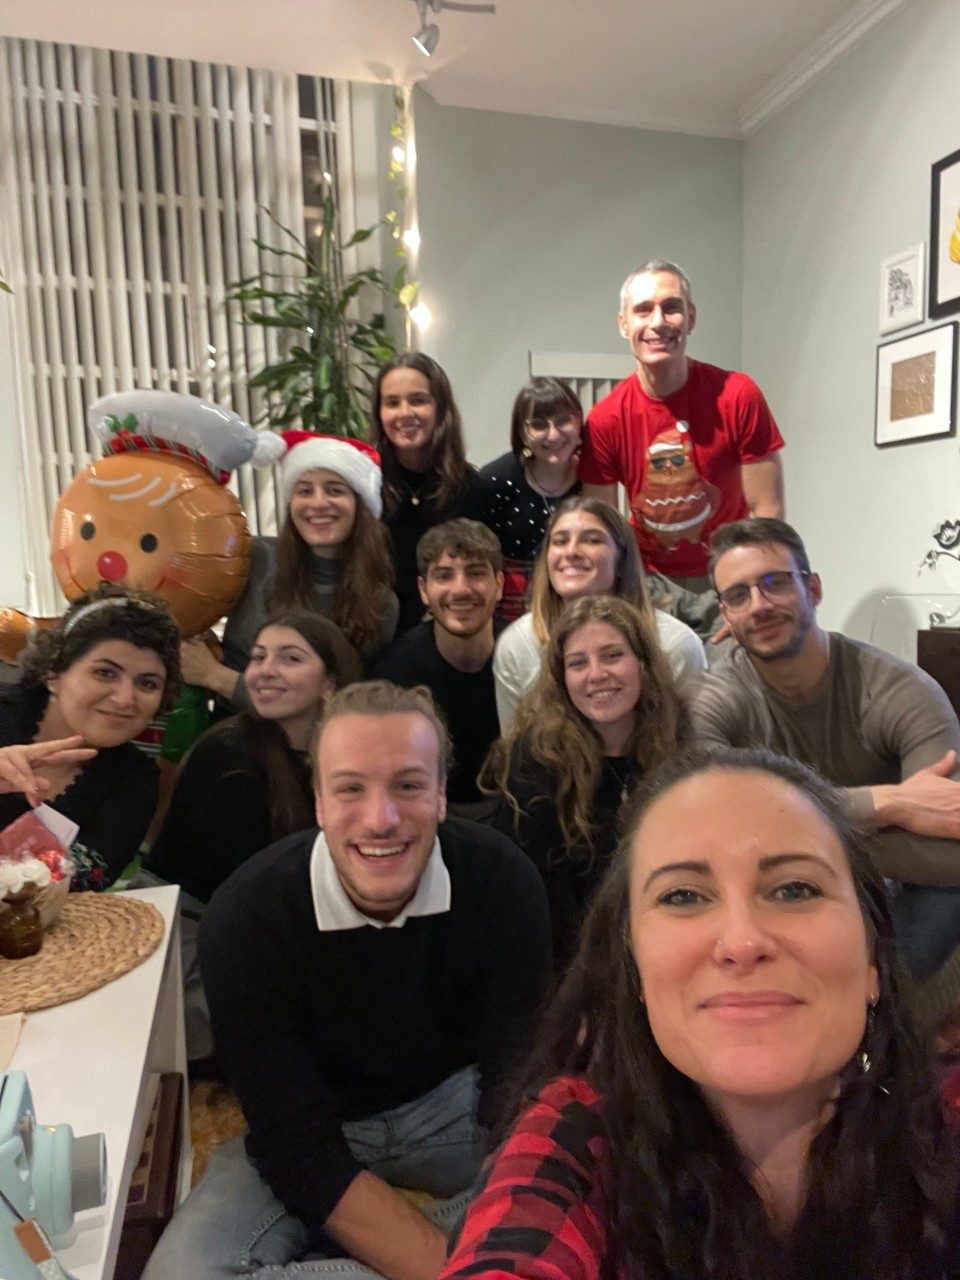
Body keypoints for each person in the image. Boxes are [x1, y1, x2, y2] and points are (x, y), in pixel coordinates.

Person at [440, 747, 960, 1280]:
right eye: (683, 896)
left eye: (795, 889)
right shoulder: (576, 1140)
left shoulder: (945, 1113)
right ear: (634, 965)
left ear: (873, 957)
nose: (742, 941)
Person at [142, 681, 552, 1280]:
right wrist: (452, 1267)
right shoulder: (247, 916)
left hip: (457, 1109)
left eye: (408, 785)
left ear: (442, 795)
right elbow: (295, 1144)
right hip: (315, 1122)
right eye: (350, 789)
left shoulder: (501, 880)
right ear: (318, 803)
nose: (380, 819)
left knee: (608, 1191)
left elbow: (515, 1085)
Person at [691, 517, 960, 997]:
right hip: (769, 903)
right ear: (726, 616)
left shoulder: (900, 692)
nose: (760, 605)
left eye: (775, 583)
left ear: (812, 589)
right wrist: (888, 805)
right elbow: (711, 827)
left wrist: (779, 833)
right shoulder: (713, 702)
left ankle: (874, 1013)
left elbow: (950, 850)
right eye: (739, 595)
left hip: (885, 902)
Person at [579, 259, 785, 637]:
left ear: (690, 318)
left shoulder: (738, 395)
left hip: (729, 573)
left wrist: (753, 593)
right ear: (624, 324)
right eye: (643, 310)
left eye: (671, 307)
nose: (658, 322)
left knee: (733, 687)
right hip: (650, 584)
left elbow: (766, 510)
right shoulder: (605, 420)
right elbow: (604, 529)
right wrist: (622, 601)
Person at [484, 595, 685, 972]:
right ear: (562, 679)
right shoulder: (536, 759)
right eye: (578, 663)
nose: (596, 674)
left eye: (612, 656)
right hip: (572, 959)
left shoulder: (680, 741)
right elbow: (535, 896)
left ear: (642, 663)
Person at [144, 611, 361, 904]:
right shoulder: (227, 755)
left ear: (330, 683)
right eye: (258, 658)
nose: (266, 670)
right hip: (190, 915)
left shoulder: (350, 756)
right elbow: (246, 891)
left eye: (291, 659)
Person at [181, 433, 398, 699]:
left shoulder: (380, 603)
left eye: (335, 490)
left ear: (360, 505)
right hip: (229, 733)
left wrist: (216, 677)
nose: (318, 503)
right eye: (305, 490)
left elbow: (337, 704)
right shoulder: (255, 556)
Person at [0, 583, 181, 887]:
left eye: (147, 683)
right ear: (54, 673)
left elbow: (85, 881)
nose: (125, 698)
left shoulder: (135, 780)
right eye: (105, 673)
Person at [492, 495, 705, 732]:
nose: (571, 551)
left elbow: (693, 752)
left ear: (621, 559)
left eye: (592, 540)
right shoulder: (517, 645)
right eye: (560, 541)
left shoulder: (675, 644)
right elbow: (515, 753)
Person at [373, 520, 504, 813]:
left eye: (476, 573)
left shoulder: (523, 656)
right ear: (423, 590)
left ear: (499, 585)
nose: (460, 589)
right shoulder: (396, 672)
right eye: (444, 576)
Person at [373, 353, 486, 635]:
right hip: (377, 638)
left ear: (440, 409)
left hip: (447, 639)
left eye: (418, 400)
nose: (404, 412)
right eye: (392, 402)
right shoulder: (364, 484)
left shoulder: (470, 487)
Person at [477, 377, 583, 622]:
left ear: (579, 422)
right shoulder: (494, 480)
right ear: (522, 433)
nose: (553, 435)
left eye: (563, 421)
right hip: (508, 614)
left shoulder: (595, 476)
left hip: (576, 607)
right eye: (538, 425)